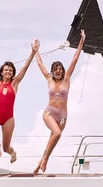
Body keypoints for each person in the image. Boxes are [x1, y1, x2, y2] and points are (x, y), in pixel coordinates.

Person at [0, 38, 39, 162]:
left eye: (10, 70)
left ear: (12, 72)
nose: (8, 71)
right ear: (2, 72)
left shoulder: (14, 84)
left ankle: (12, 152)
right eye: (6, 70)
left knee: (6, 148)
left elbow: (25, 67)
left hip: (8, 118)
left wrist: (33, 52)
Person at [33, 29, 85, 174]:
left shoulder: (67, 79)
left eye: (60, 69)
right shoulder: (49, 79)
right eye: (55, 69)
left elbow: (74, 59)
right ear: (53, 71)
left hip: (62, 116)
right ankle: (45, 161)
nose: (58, 71)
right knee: (56, 134)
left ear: (62, 71)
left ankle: (39, 164)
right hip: (49, 112)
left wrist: (81, 41)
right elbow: (39, 64)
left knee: (52, 140)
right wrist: (36, 50)